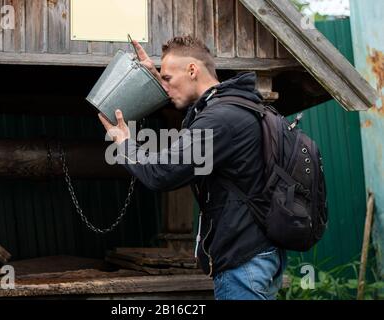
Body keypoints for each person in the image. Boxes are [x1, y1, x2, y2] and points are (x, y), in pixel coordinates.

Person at [98, 35, 286, 300]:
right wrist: (156, 80)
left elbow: (161, 174)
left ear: (192, 70)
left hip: (243, 262)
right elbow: (191, 120)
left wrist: (125, 144)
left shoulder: (220, 120)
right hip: (258, 254)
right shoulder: (240, 106)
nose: (166, 87)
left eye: (168, 79)